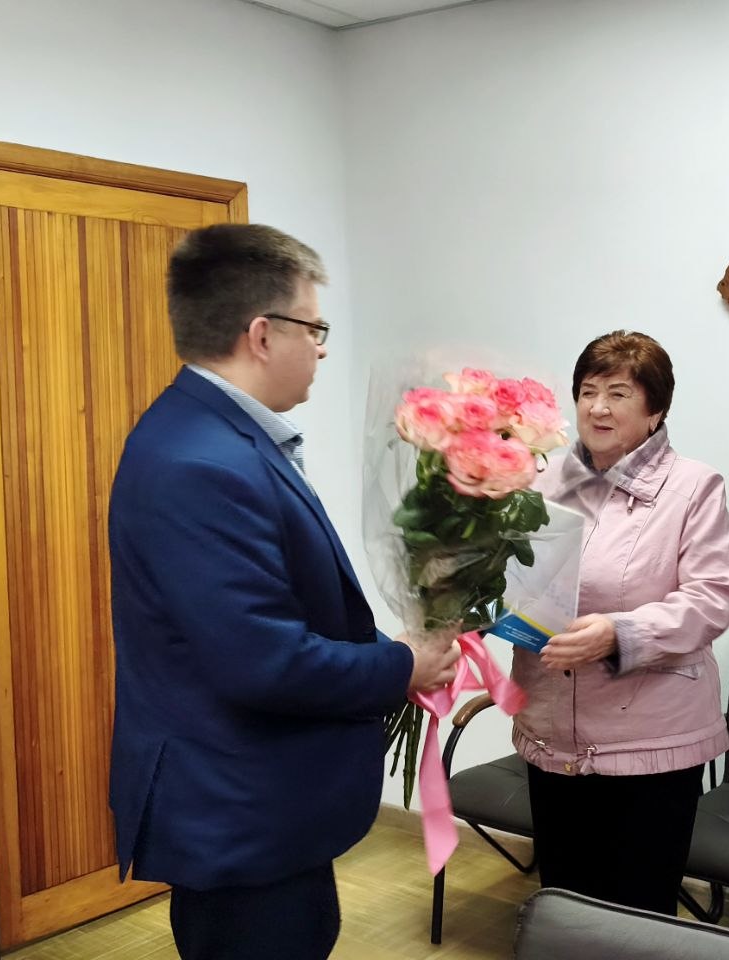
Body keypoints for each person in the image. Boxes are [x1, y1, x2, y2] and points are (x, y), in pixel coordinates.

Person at [108, 223, 459, 960]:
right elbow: (262, 661)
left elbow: (280, 610)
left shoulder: (213, 436)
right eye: (314, 327)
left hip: (259, 804)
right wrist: (402, 664)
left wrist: (391, 648)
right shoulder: (201, 462)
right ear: (263, 335)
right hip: (238, 808)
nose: (322, 348)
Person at [510, 330, 729, 915]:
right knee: (565, 903)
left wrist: (620, 633)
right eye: (588, 392)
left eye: (618, 394)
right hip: (552, 729)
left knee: (636, 915)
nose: (598, 408)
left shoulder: (693, 486)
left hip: (650, 739)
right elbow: (513, 578)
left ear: (655, 410)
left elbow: (713, 598)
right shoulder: (540, 480)